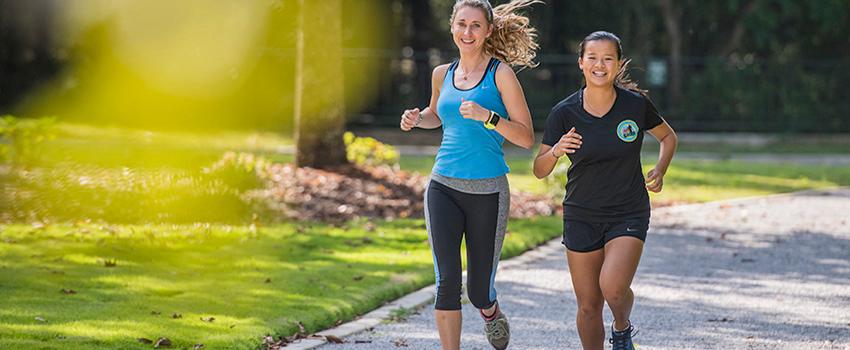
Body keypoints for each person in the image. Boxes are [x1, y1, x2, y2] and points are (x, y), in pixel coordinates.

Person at [399, 0, 541, 349]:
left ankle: (490, 311)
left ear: (488, 30)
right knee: (446, 281)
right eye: (461, 24)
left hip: (488, 190)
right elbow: (437, 114)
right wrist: (418, 119)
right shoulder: (441, 74)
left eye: (476, 25)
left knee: (478, 290)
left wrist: (488, 117)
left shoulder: (500, 74)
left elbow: (525, 137)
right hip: (442, 185)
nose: (468, 32)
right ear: (451, 28)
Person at [532, 31, 678, 350]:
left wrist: (660, 169)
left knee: (612, 287)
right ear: (581, 63)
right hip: (581, 214)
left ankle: (622, 328)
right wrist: (556, 150)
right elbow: (539, 169)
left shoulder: (635, 106)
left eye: (608, 58)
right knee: (588, 306)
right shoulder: (564, 112)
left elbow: (669, 137)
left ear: (618, 64)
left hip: (628, 210)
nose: (600, 65)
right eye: (593, 58)